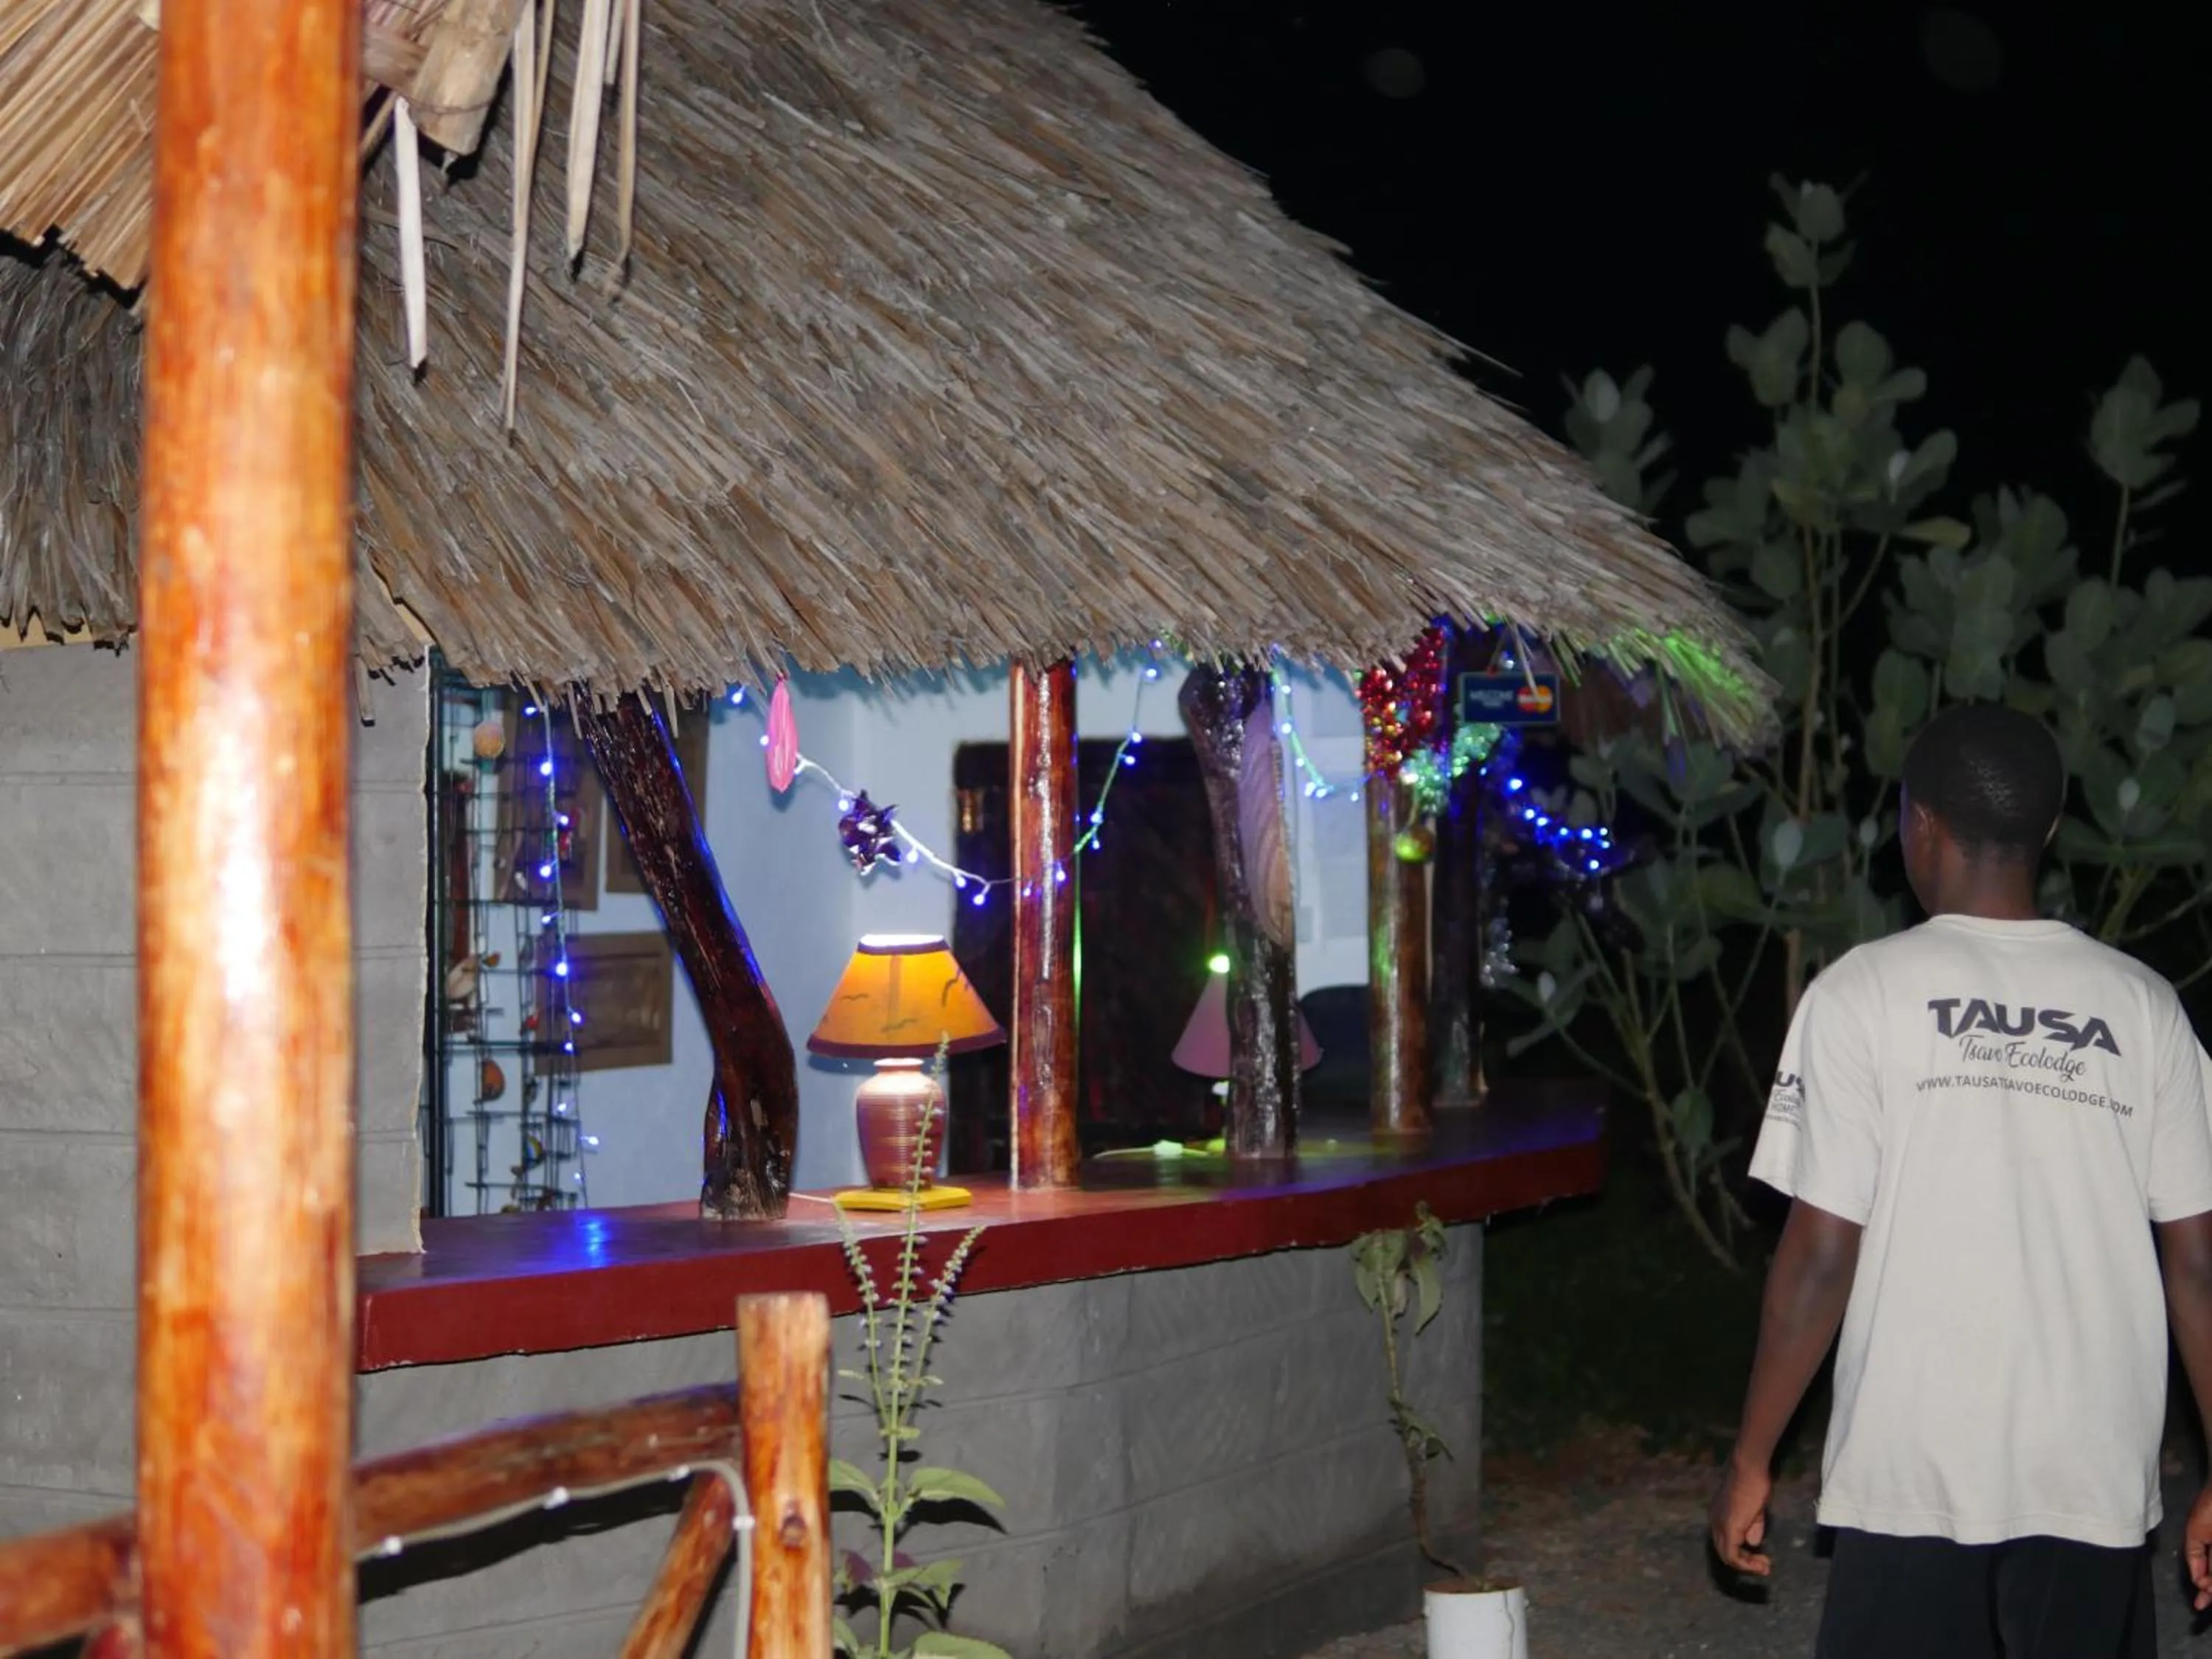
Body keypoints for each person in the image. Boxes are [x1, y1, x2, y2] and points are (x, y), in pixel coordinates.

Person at [1709, 703, 2212, 1658]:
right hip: (2090, 1472)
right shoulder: (2144, 1005)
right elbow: (2197, 1264)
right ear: (2052, 829)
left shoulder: (1860, 992)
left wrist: (1750, 1456)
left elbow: (1818, 1254)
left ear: (1919, 821)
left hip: (1914, 1469)